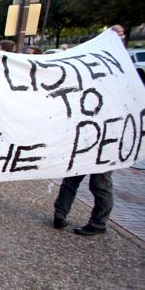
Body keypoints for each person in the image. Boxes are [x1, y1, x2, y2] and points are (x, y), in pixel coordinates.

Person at [52, 24, 125, 236]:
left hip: (108, 137)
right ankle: (60, 214)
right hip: (86, 134)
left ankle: (99, 223)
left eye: (119, 35)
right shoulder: (92, 64)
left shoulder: (123, 71)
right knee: (71, 178)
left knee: (100, 183)